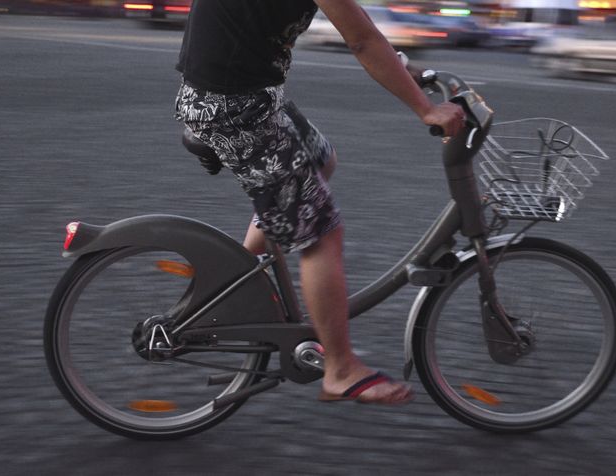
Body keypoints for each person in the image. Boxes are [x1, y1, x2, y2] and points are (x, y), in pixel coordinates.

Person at [174, 0, 465, 405]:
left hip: (247, 95)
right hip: (233, 107)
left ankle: (234, 285)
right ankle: (341, 371)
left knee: (320, 161)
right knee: (321, 233)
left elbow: (359, 25)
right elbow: (361, 40)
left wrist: (405, 72)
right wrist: (426, 108)